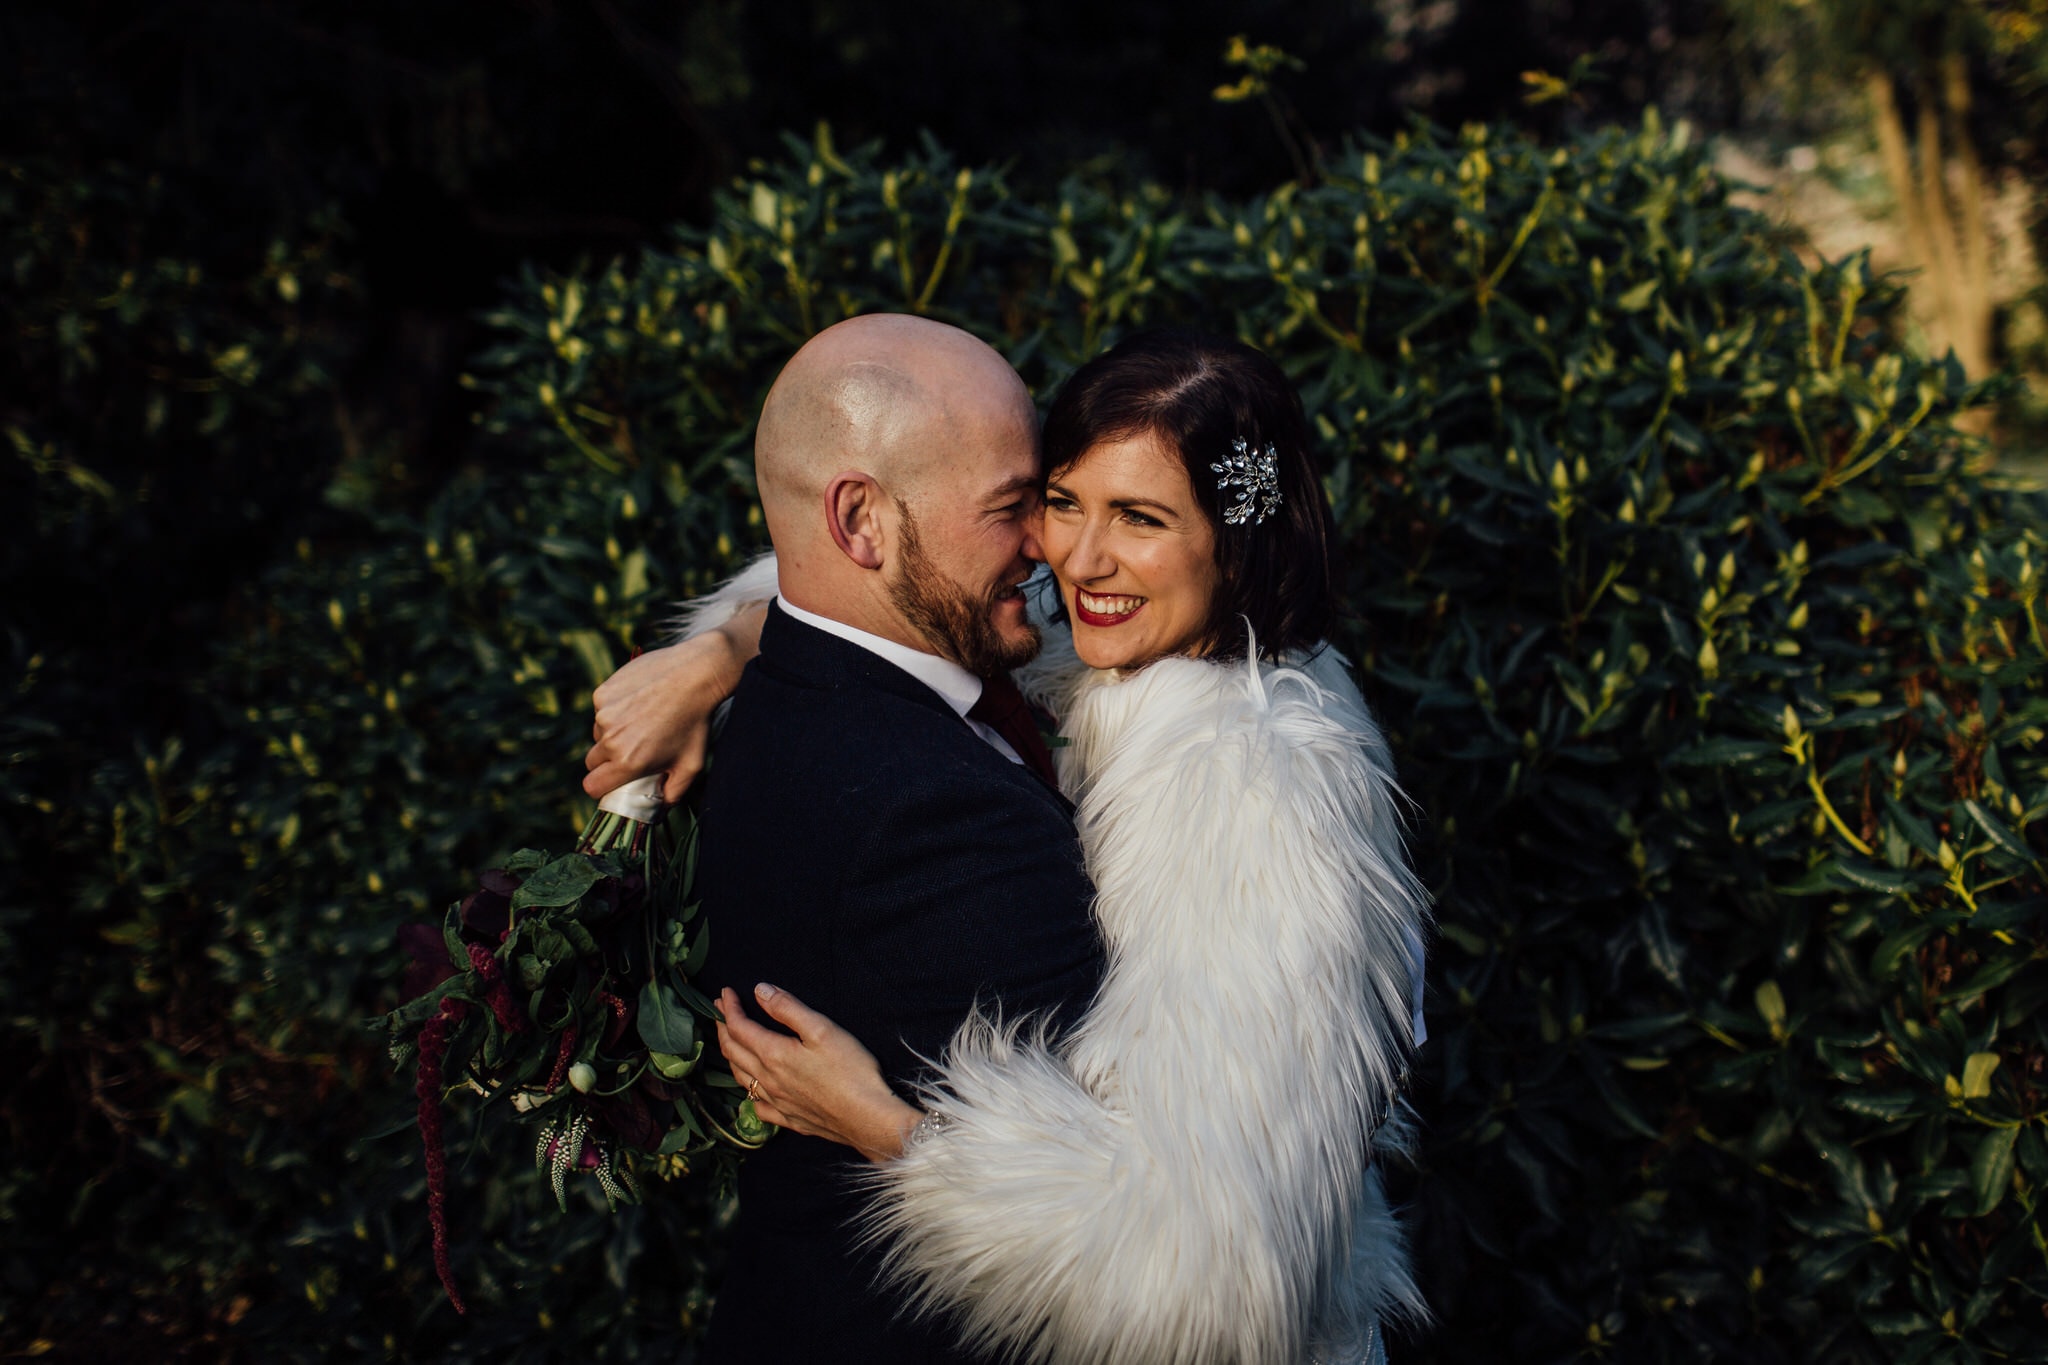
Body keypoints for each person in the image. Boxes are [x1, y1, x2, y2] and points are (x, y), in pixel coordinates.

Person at [588, 326, 1429, 1363]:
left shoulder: (1255, 796)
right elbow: (870, 589)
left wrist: (896, 1137)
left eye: (1141, 518)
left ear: (1235, 539)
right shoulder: (1088, 633)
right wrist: (716, 650)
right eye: (1056, 501)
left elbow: (1210, 1279)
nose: (1068, 555)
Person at [660, 313, 1107, 1363]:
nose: (1049, 543)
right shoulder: (938, 819)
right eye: (1011, 508)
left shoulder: (775, 691)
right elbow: (1109, 1225)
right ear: (859, 520)